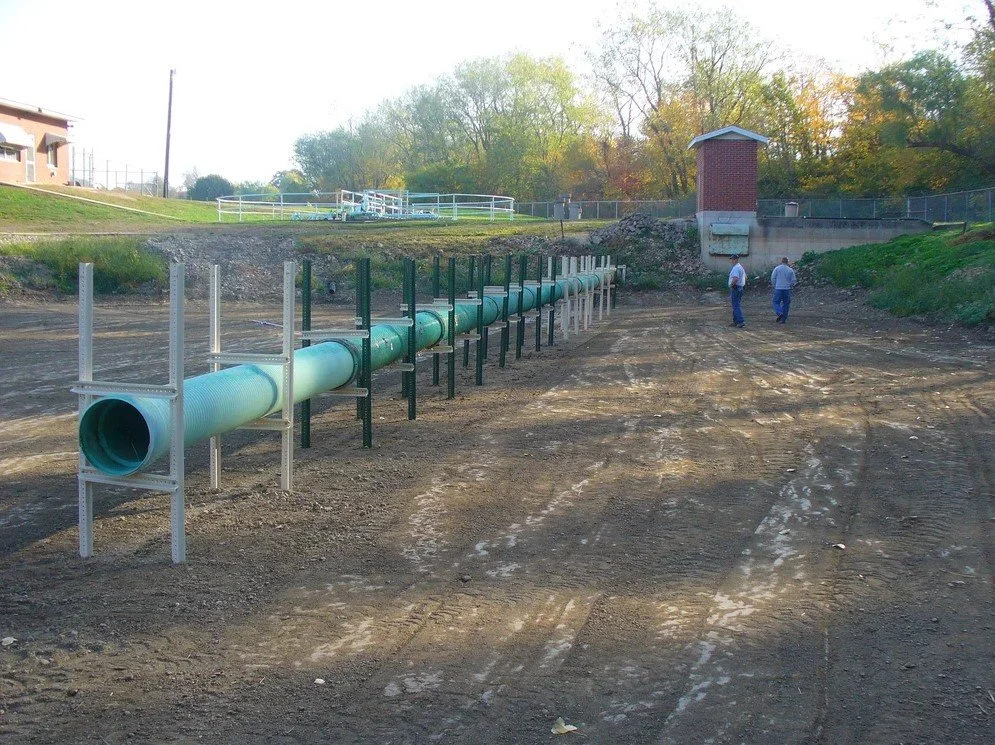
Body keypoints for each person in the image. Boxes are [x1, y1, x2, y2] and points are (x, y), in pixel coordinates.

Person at [770, 257, 798, 323]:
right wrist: (790, 285)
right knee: (786, 304)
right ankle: (783, 320)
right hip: (787, 289)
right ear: (787, 262)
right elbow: (794, 280)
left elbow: (773, 278)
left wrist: (774, 285)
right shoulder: (790, 270)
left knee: (775, 302)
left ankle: (779, 313)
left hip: (778, 288)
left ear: (781, 261)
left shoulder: (777, 268)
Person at [728, 254, 746, 328]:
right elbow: (745, 277)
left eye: (732, 259)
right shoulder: (740, 267)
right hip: (740, 287)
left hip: (736, 288)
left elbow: (735, 278)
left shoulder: (736, 268)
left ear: (735, 259)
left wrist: (731, 285)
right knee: (736, 304)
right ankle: (735, 321)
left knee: (735, 305)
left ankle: (741, 321)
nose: (731, 261)